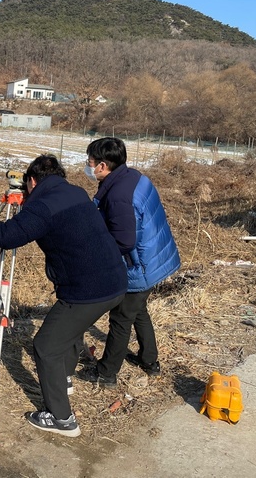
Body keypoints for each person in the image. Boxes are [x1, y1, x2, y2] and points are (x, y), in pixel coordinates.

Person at [0, 154, 127, 437]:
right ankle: (63, 379)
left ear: (32, 181)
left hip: (87, 290)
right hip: (114, 282)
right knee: (68, 331)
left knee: (46, 345)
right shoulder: (73, 192)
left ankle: (62, 418)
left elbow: (8, 235)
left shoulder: (43, 206)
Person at [78, 137, 181, 388]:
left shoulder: (119, 196)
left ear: (103, 166)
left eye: (90, 162)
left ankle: (106, 372)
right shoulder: (132, 177)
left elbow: (123, 241)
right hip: (155, 256)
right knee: (138, 310)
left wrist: (98, 258)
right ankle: (149, 361)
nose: (88, 167)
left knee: (122, 316)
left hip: (140, 265)